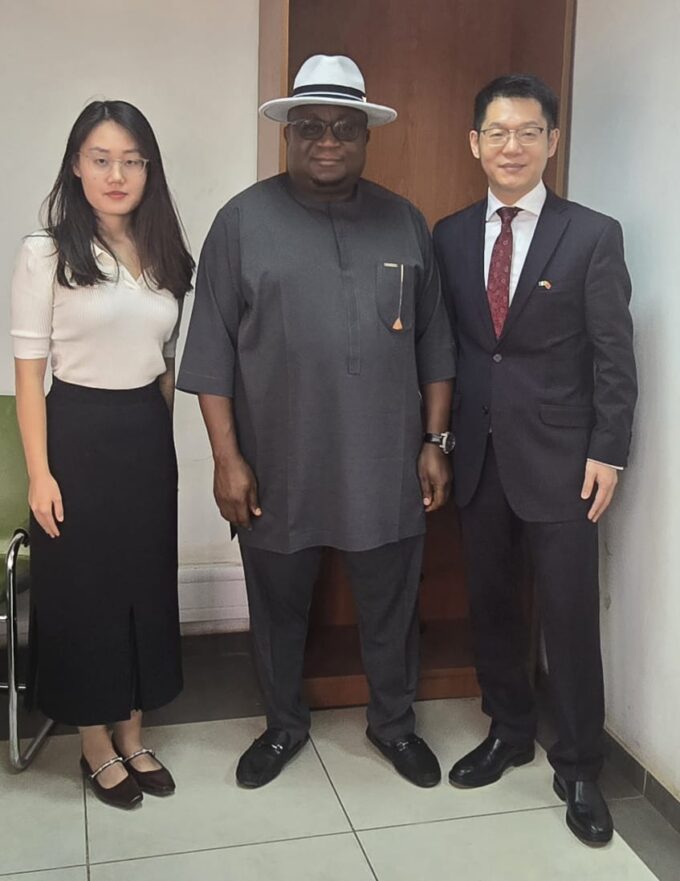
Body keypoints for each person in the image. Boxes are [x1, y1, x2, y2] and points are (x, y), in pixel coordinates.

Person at [178, 54, 456, 789]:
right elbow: (209, 355)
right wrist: (227, 460)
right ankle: (282, 725)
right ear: (287, 134)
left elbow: (436, 343)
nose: (326, 141)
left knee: (391, 604)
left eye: (342, 127)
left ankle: (394, 723)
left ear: (365, 137)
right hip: (277, 464)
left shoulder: (404, 222)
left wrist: (434, 441)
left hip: (384, 462)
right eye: (310, 127)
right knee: (277, 607)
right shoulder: (241, 222)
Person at [433, 74, 637, 843]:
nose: (511, 146)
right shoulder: (450, 235)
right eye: (497, 132)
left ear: (552, 140)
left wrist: (608, 450)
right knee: (490, 603)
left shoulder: (592, 234)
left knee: (569, 614)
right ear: (474, 143)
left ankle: (579, 764)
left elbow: (615, 354)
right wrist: (437, 440)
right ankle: (510, 729)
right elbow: (453, 348)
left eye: (527, 132)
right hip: (478, 456)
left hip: (563, 461)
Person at [11, 100, 194, 809]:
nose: (117, 174)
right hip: (76, 434)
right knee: (86, 592)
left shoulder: (166, 254)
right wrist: (40, 473)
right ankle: (94, 740)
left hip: (144, 433)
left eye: (131, 161)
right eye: (101, 159)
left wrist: (161, 439)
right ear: (76, 166)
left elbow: (166, 363)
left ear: (149, 169)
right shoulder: (46, 253)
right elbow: (30, 375)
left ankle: (134, 731)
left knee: (143, 584)